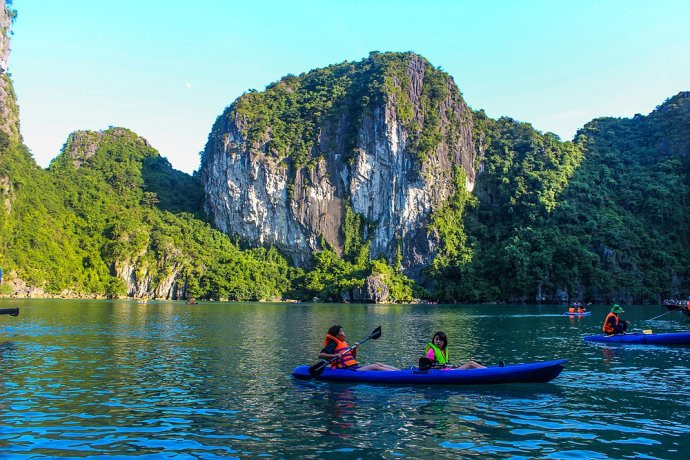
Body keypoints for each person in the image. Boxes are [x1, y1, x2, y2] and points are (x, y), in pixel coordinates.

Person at [319, 325, 398, 371]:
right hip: (344, 370)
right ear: (336, 335)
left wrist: (354, 349)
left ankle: (401, 372)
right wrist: (334, 356)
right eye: (341, 331)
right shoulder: (333, 344)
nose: (344, 333)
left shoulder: (343, 343)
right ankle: (398, 375)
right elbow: (320, 355)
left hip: (352, 367)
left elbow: (352, 358)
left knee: (378, 364)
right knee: (375, 366)